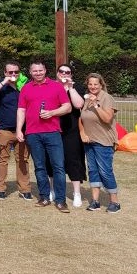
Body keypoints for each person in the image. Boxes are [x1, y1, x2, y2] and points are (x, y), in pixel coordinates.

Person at [16, 61, 72, 212]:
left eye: (40, 70)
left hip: (53, 132)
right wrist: (19, 129)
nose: (38, 73)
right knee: (39, 167)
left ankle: (60, 200)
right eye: (35, 71)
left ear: (45, 70)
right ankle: (44, 197)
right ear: (30, 72)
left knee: (58, 167)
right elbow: (21, 110)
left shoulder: (56, 86)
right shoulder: (26, 88)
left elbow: (67, 107)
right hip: (33, 133)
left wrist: (52, 113)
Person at [0, 62, 31, 200]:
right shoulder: (1, 85)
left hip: (23, 129)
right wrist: (4, 81)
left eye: (16, 72)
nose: (13, 74)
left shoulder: (25, 85)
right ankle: (0, 188)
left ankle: (24, 188)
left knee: (23, 159)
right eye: (10, 72)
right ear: (5, 73)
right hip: (4, 129)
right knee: (2, 159)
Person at [79, 73, 122, 213]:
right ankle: (95, 201)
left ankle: (115, 202)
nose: (93, 87)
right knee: (93, 171)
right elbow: (81, 118)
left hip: (103, 141)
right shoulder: (86, 98)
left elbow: (107, 119)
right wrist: (82, 132)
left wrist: (96, 105)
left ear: (101, 85)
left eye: (95, 84)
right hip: (89, 141)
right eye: (90, 84)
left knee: (105, 171)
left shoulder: (106, 98)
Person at [56, 64, 88, 207]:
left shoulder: (77, 87)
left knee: (73, 159)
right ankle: (53, 189)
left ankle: (77, 193)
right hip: (54, 128)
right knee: (52, 160)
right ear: (57, 73)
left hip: (72, 130)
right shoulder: (52, 86)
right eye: (61, 71)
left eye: (67, 72)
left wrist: (70, 88)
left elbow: (78, 105)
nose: (64, 74)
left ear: (71, 74)